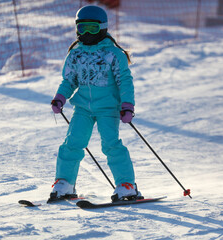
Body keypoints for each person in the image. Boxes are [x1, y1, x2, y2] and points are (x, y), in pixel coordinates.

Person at [50, 5, 141, 202]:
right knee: (72, 143)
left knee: (111, 145)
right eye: (82, 28)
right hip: (82, 108)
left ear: (103, 28)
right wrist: (60, 97)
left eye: (92, 28)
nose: (87, 33)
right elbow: (69, 81)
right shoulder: (75, 54)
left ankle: (126, 185)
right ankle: (65, 182)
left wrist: (127, 105)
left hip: (108, 108)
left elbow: (124, 81)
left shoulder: (113, 55)